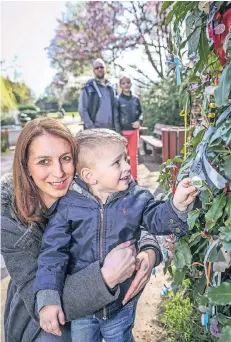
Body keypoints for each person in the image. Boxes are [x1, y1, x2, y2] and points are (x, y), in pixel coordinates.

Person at [1, 118, 161, 342]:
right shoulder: (8, 216)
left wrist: (149, 249)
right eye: (44, 161)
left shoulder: (89, 182)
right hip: (45, 316)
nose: (58, 172)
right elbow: (37, 294)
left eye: (65, 158)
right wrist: (106, 276)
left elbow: (132, 210)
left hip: (107, 308)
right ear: (26, 165)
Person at [34, 128, 198, 342]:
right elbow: (52, 253)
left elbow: (156, 219)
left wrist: (177, 206)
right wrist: (48, 298)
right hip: (85, 307)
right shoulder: (68, 206)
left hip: (120, 304)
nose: (128, 167)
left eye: (126, 159)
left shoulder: (136, 197)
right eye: (117, 163)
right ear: (89, 176)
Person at [78, 58, 120, 131]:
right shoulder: (88, 88)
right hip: (94, 130)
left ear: (105, 69)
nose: (99, 69)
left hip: (111, 131)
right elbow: (82, 110)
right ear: (93, 71)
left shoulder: (112, 88)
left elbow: (117, 109)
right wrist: (91, 128)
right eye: (97, 68)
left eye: (101, 67)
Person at [117, 76, 142, 182]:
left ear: (131, 84)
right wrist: (118, 132)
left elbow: (141, 113)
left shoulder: (136, 99)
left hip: (134, 132)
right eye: (123, 83)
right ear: (120, 85)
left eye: (128, 82)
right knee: (121, 157)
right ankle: (122, 178)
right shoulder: (117, 99)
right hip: (122, 132)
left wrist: (139, 122)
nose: (126, 84)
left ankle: (134, 179)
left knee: (133, 156)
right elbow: (116, 116)